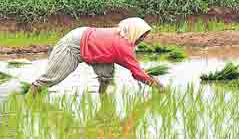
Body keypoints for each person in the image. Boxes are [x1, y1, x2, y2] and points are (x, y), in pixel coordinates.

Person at [28, 18, 165, 94]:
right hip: (74, 45)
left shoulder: (124, 36)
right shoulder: (122, 46)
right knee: (52, 78)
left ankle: (102, 97)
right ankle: (28, 98)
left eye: (145, 36)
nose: (143, 39)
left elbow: (134, 68)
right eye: (141, 35)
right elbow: (137, 73)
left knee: (106, 75)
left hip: (96, 48)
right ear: (134, 32)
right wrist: (159, 87)